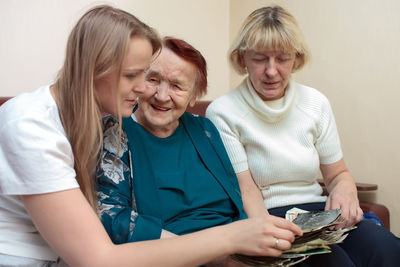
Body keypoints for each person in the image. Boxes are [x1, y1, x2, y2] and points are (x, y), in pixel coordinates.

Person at [0, 5, 302, 267]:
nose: (147, 89)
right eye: (135, 75)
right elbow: (98, 258)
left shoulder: (98, 118)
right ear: (93, 68)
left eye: (146, 74)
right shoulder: (29, 125)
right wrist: (230, 239)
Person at [206, 5, 400, 267]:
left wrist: (346, 193)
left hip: (320, 212)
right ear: (242, 59)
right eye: (260, 58)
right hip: (268, 216)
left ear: (296, 58)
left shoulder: (315, 103)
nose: (272, 71)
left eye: (282, 58)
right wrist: (269, 234)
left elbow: (337, 174)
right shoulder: (223, 112)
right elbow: (246, 189)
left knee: (387, 249)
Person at [96, 36, 302, 266]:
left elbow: (239, 197)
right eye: (153, 79)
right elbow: (114, 218)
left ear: (194, 95)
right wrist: (214, 253)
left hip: (243, 253)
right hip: (180, 257)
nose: (162, 96)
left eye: (176, 86)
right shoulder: (115, 133)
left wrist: (264, 237)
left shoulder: (204, 128)